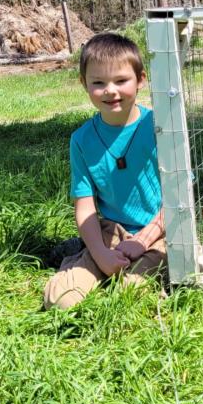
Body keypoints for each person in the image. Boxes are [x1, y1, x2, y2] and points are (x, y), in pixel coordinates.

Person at [43, 32, 166, 310]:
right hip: (110, 232)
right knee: (59, 301)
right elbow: (85, 206)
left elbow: (178, 195)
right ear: (84, 84)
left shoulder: (159, 127)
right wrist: (100, 255)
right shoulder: (82, 140)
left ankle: (144, 277)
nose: (110, 90)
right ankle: (83, 262)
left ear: (141, 79)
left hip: (161, 231)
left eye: (121, 80)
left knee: (132, 298)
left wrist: (144, 240)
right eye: (98, 83)